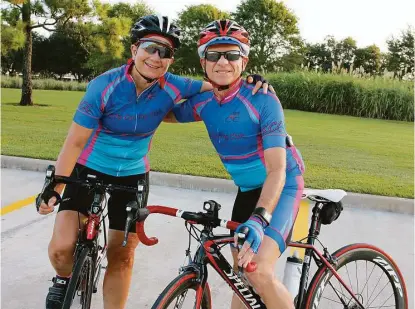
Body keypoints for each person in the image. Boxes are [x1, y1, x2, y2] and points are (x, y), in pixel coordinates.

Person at [36, 14, 271, 309]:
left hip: (132, 175)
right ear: (135, 50)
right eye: (150, 47)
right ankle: (63, 278)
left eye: (166, 52)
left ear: (171, 59)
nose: (156, 57)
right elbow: (75, 142)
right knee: (61, 249)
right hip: (88, 168)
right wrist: (56, 186)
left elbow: (221, 85)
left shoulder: (174, 86)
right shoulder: (103, 86)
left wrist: (253, 81)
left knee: (121, 255)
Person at [165, 19, 305, 309]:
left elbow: (277, 169)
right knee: (239, 275)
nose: (223, 62)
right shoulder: (203, 102)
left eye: (231, 54)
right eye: (214, 55)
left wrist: (259, 218)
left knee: (258, 271)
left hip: (281, 185)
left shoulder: (262, 99)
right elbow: (164, 111)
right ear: (203, 61)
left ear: (244, 59)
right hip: (248, 189)